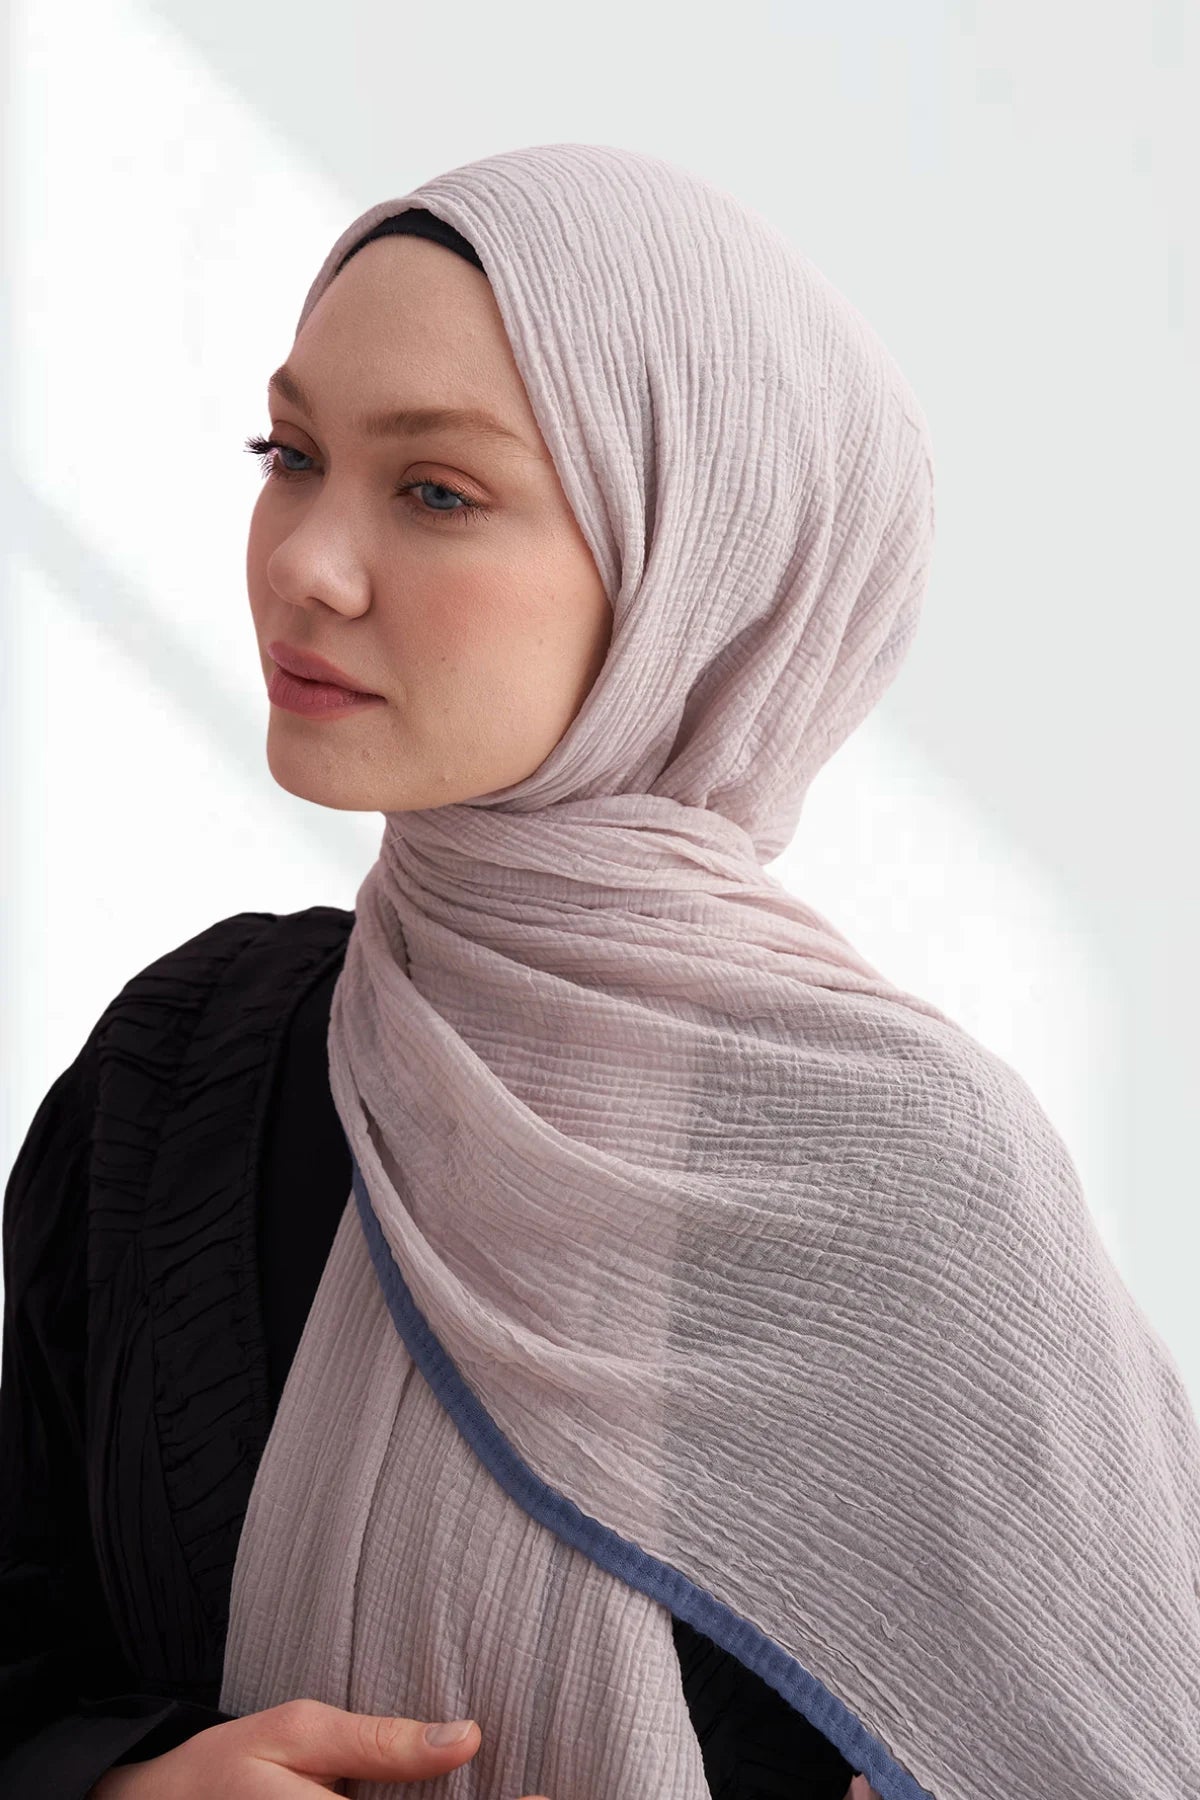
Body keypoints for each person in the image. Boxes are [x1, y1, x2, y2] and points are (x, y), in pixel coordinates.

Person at [6, 142, 1198, 1800]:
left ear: (691, 575)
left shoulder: (907, 1174)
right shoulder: (184, 1064)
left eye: (436, 492)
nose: (303, 563)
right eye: (292, 456)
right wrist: (123, 1783)